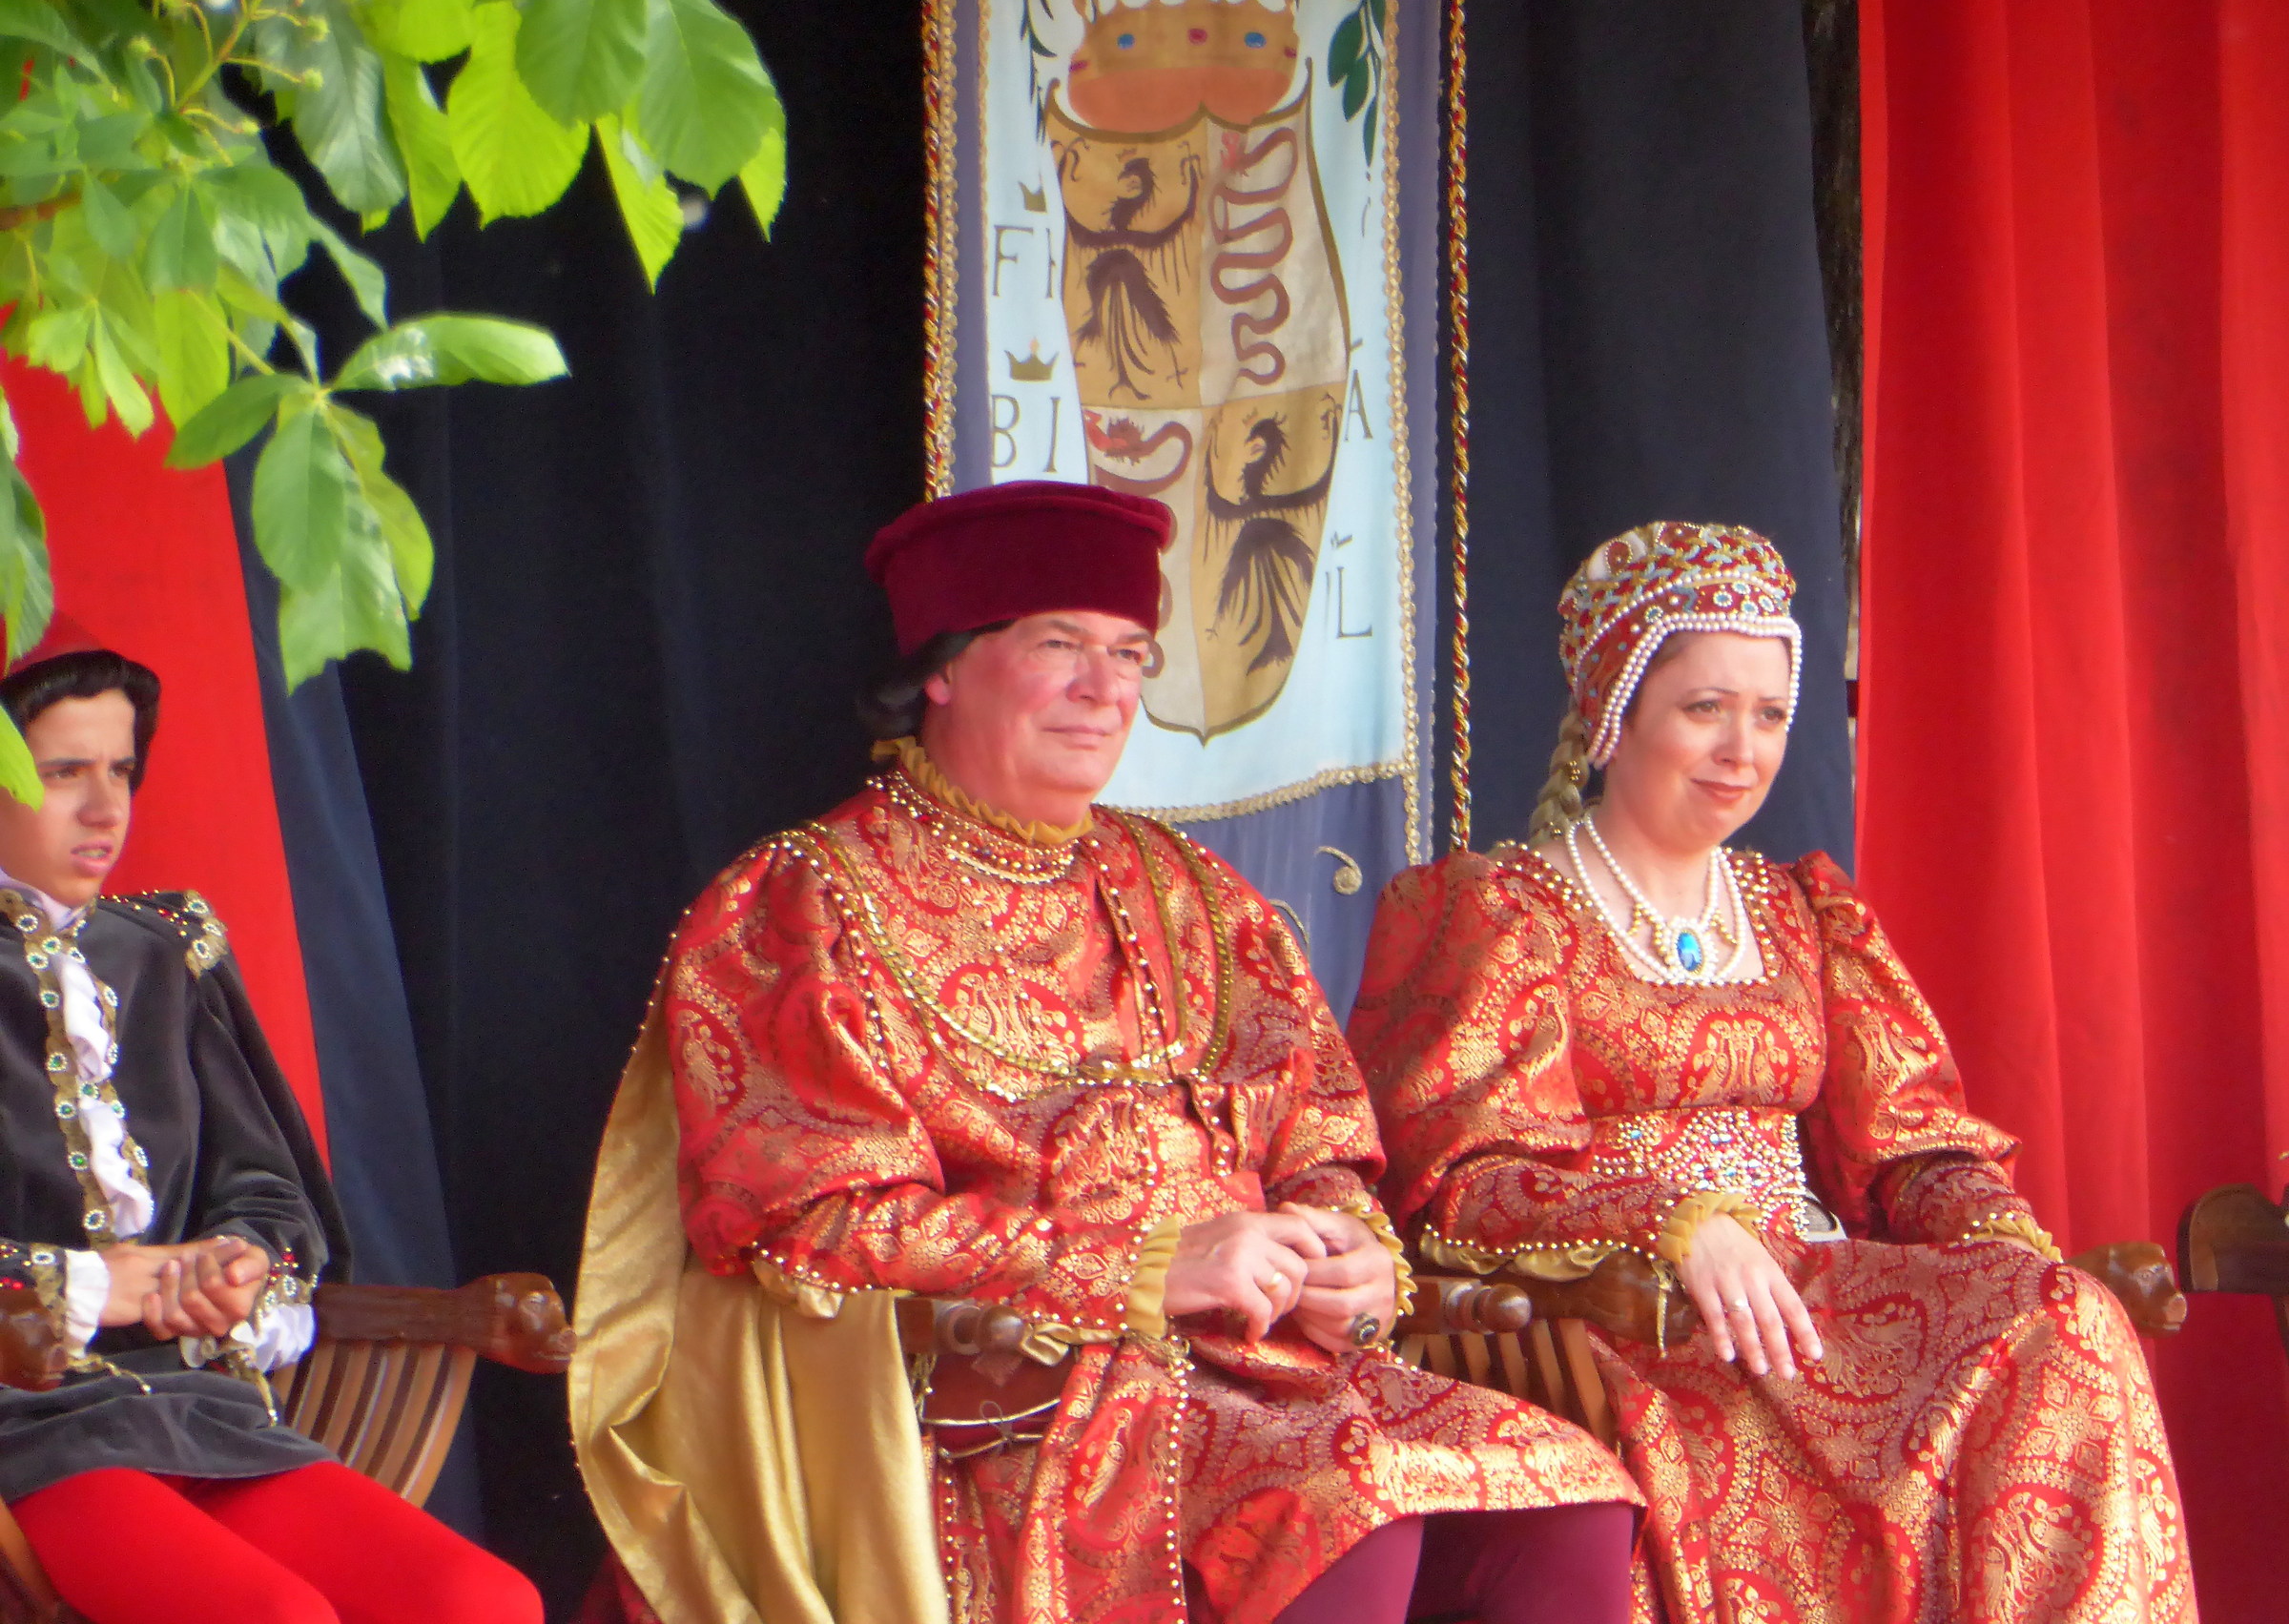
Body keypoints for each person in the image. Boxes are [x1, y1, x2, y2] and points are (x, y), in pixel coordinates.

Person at [573, 483, 1639, 1624]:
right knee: (1341, 1504)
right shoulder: (804, 901)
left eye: (1131, 654)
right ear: (942, 666)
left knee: (1567, 1490)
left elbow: (1317, 1132)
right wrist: (1147, 1267)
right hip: (1013, 1393)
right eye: (1059, 647)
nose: (1105, 691)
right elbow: (807, 1224)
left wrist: (1353, 1257)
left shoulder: (1195, 892)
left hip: (1277, 1367)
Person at [1348, 523, 2196, 1624]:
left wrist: (2002, 1241)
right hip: (1628, 1316)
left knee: (2061, 1318)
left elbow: (1910, 1144)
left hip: (1813, 1290)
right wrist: (1674, 1222)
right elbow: (1456, 1179)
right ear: (1613, 714)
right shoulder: (1499, 910)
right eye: (1705, 709)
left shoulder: (1801, 910)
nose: (1741, 750)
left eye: (1770, 715)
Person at [0, 616, 540, 1624]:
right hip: (29, 1435)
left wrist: (237, 1261)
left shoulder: (163, 950)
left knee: (483, 1601)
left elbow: (266, 1183)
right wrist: (85, 1284)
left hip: (204, 1408)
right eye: (65, 769)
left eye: (122, 768)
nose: (105, 806)